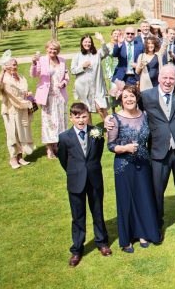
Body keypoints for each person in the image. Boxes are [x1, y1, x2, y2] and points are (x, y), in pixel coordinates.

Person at [111, 64, 175, 238]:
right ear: (159, 78)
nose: (168, 81)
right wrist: (112, 118)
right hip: (158, 150)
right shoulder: (147, 95)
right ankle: (157, 222)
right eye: (165, 77)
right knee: (157, 189)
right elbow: (130, 106)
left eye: (172, 78)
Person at [106, 85, 160, 253]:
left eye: (132, 96)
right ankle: (127, 238)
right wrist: (125, 148)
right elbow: (110, 145)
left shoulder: (145, 116)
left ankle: (143, 233)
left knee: (143, 198)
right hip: (124, 165)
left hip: (143, 164)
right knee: (126, 201)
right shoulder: (114, 119)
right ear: (121, 100)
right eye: (125, 97)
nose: (129, 99)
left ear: (137, 98)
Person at [57, 103, 111, 267]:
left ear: (89, 116)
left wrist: (90, 167)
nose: (81, 120)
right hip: (76, 181)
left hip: (94, 178)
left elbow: (98, 153)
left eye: (84, 116)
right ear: (71, 118)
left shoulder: (97, 132)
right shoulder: (64, 137)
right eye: (77, 117)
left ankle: (102, 242)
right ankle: (77, 249)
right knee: (78, 216)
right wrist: (76, 171)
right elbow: (64, 160)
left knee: (97, 211)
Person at [0, 53, 35, 169]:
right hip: (10, 109)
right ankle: (12, 158)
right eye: (12, 65)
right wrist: (2, 72)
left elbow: (24, 91)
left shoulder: (20, 76)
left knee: (22, 132)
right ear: (5, 66)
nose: (14, 67)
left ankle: (20, 157)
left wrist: (28, 97)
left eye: (15, 64)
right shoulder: (3, 78)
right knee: (12, 134)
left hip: (23, 108)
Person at [31, 40, 70, 159]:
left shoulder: (62, 60)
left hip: (60, 96)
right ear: (46, 49)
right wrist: (34, 63)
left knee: (61, 122)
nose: (53, 51)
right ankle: (49, 148)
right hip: (47, 97)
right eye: (51, 49)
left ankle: (57, 145)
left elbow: (66, 76)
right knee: (49, 123)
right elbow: (34, 74)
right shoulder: (42, 60)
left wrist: (64, 82)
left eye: (55, 49)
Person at [71, 33, 110, 116]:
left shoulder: (97, 54)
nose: (87, 44)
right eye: (85, 42)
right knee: (86, 110)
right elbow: (73, 71)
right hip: (83, 87)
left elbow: (106, 52)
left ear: (92, 43)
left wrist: (101, 39)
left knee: (101, 108)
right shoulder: (77, 56)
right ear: (82, 43)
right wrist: (82, 67)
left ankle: (108, 124)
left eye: (89, 42)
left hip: (97, 86)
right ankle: (89, 125)